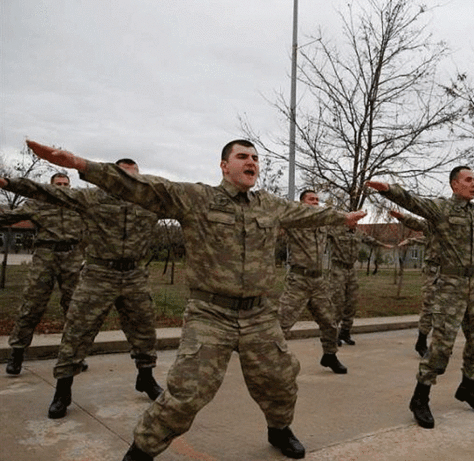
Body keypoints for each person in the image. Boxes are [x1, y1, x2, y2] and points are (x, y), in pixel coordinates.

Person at [23, 139, 366, 460]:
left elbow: (306, 214)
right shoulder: (197, 198)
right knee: (187, 392)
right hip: (210, 313)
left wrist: (342, 218)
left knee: (280, 381)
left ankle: (279, 429)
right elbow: (144, 187)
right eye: (242, 156)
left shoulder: (269, 205)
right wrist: (81, 164)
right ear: (224, 166)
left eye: (255, 158)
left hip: (258, 315)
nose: (251, 162)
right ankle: (141, 450)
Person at [2, 159, 164, 420]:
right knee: (77, 330)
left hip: (134, 275)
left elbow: (189, 202)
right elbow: (46, 192)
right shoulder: (92, 198)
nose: (129, 181)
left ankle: (146, 377)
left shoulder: (151, 201)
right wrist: (9, 183)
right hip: (98, 274)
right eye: (122, 175)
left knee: (144, 329)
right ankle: (62, 391)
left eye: (133, 176)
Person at [366, 166, 474, 429]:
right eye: (468, 180)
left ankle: (468, 386)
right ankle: (420, 397)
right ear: (454, 185)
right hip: (449, 285)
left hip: (472, 285)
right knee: (442, 344)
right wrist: (389, 190)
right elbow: (413, 201)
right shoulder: (441, 208)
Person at [1, 173, 85, 375]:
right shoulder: (37, 202)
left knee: (75, 308)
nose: (62, 187)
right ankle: (17, 353)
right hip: (45, 256)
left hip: (72, 257)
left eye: (65, 184)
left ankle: (74, 356)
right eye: (58, 184)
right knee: (32, 305)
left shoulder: (79, 204)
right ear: (50, 186)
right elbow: (10, 216)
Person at [276, 190, 349, 374]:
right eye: (311, 199)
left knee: (330, 322)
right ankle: (270, 359)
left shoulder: (323, 223)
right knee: (282, 323)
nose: (316, 202)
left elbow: (339, 225)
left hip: (318, 281)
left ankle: (330, 355)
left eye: (317, 199)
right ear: (302, 203)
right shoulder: (294, 220)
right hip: (298, 281)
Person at [327, 220, 390, 347]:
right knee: (337, 302)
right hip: (338, 270)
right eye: (353, 220)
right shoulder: (335, 231)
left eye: (357, 221)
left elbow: (370, 240)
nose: (355, 223)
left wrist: (384, 245)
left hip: (351, 270)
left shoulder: (359, 233)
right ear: (347, 220)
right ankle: (332, 334)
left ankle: (345, 332)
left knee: (352, 302)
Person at [391, 211, 438, 358]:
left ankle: (440, 344)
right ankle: (421, 341)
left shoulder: (451, 230)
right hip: (432, 273)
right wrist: (403, 217)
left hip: (449, 274)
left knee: (445, 310)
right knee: (429, 307)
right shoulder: (431, 226)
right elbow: (418, 226)